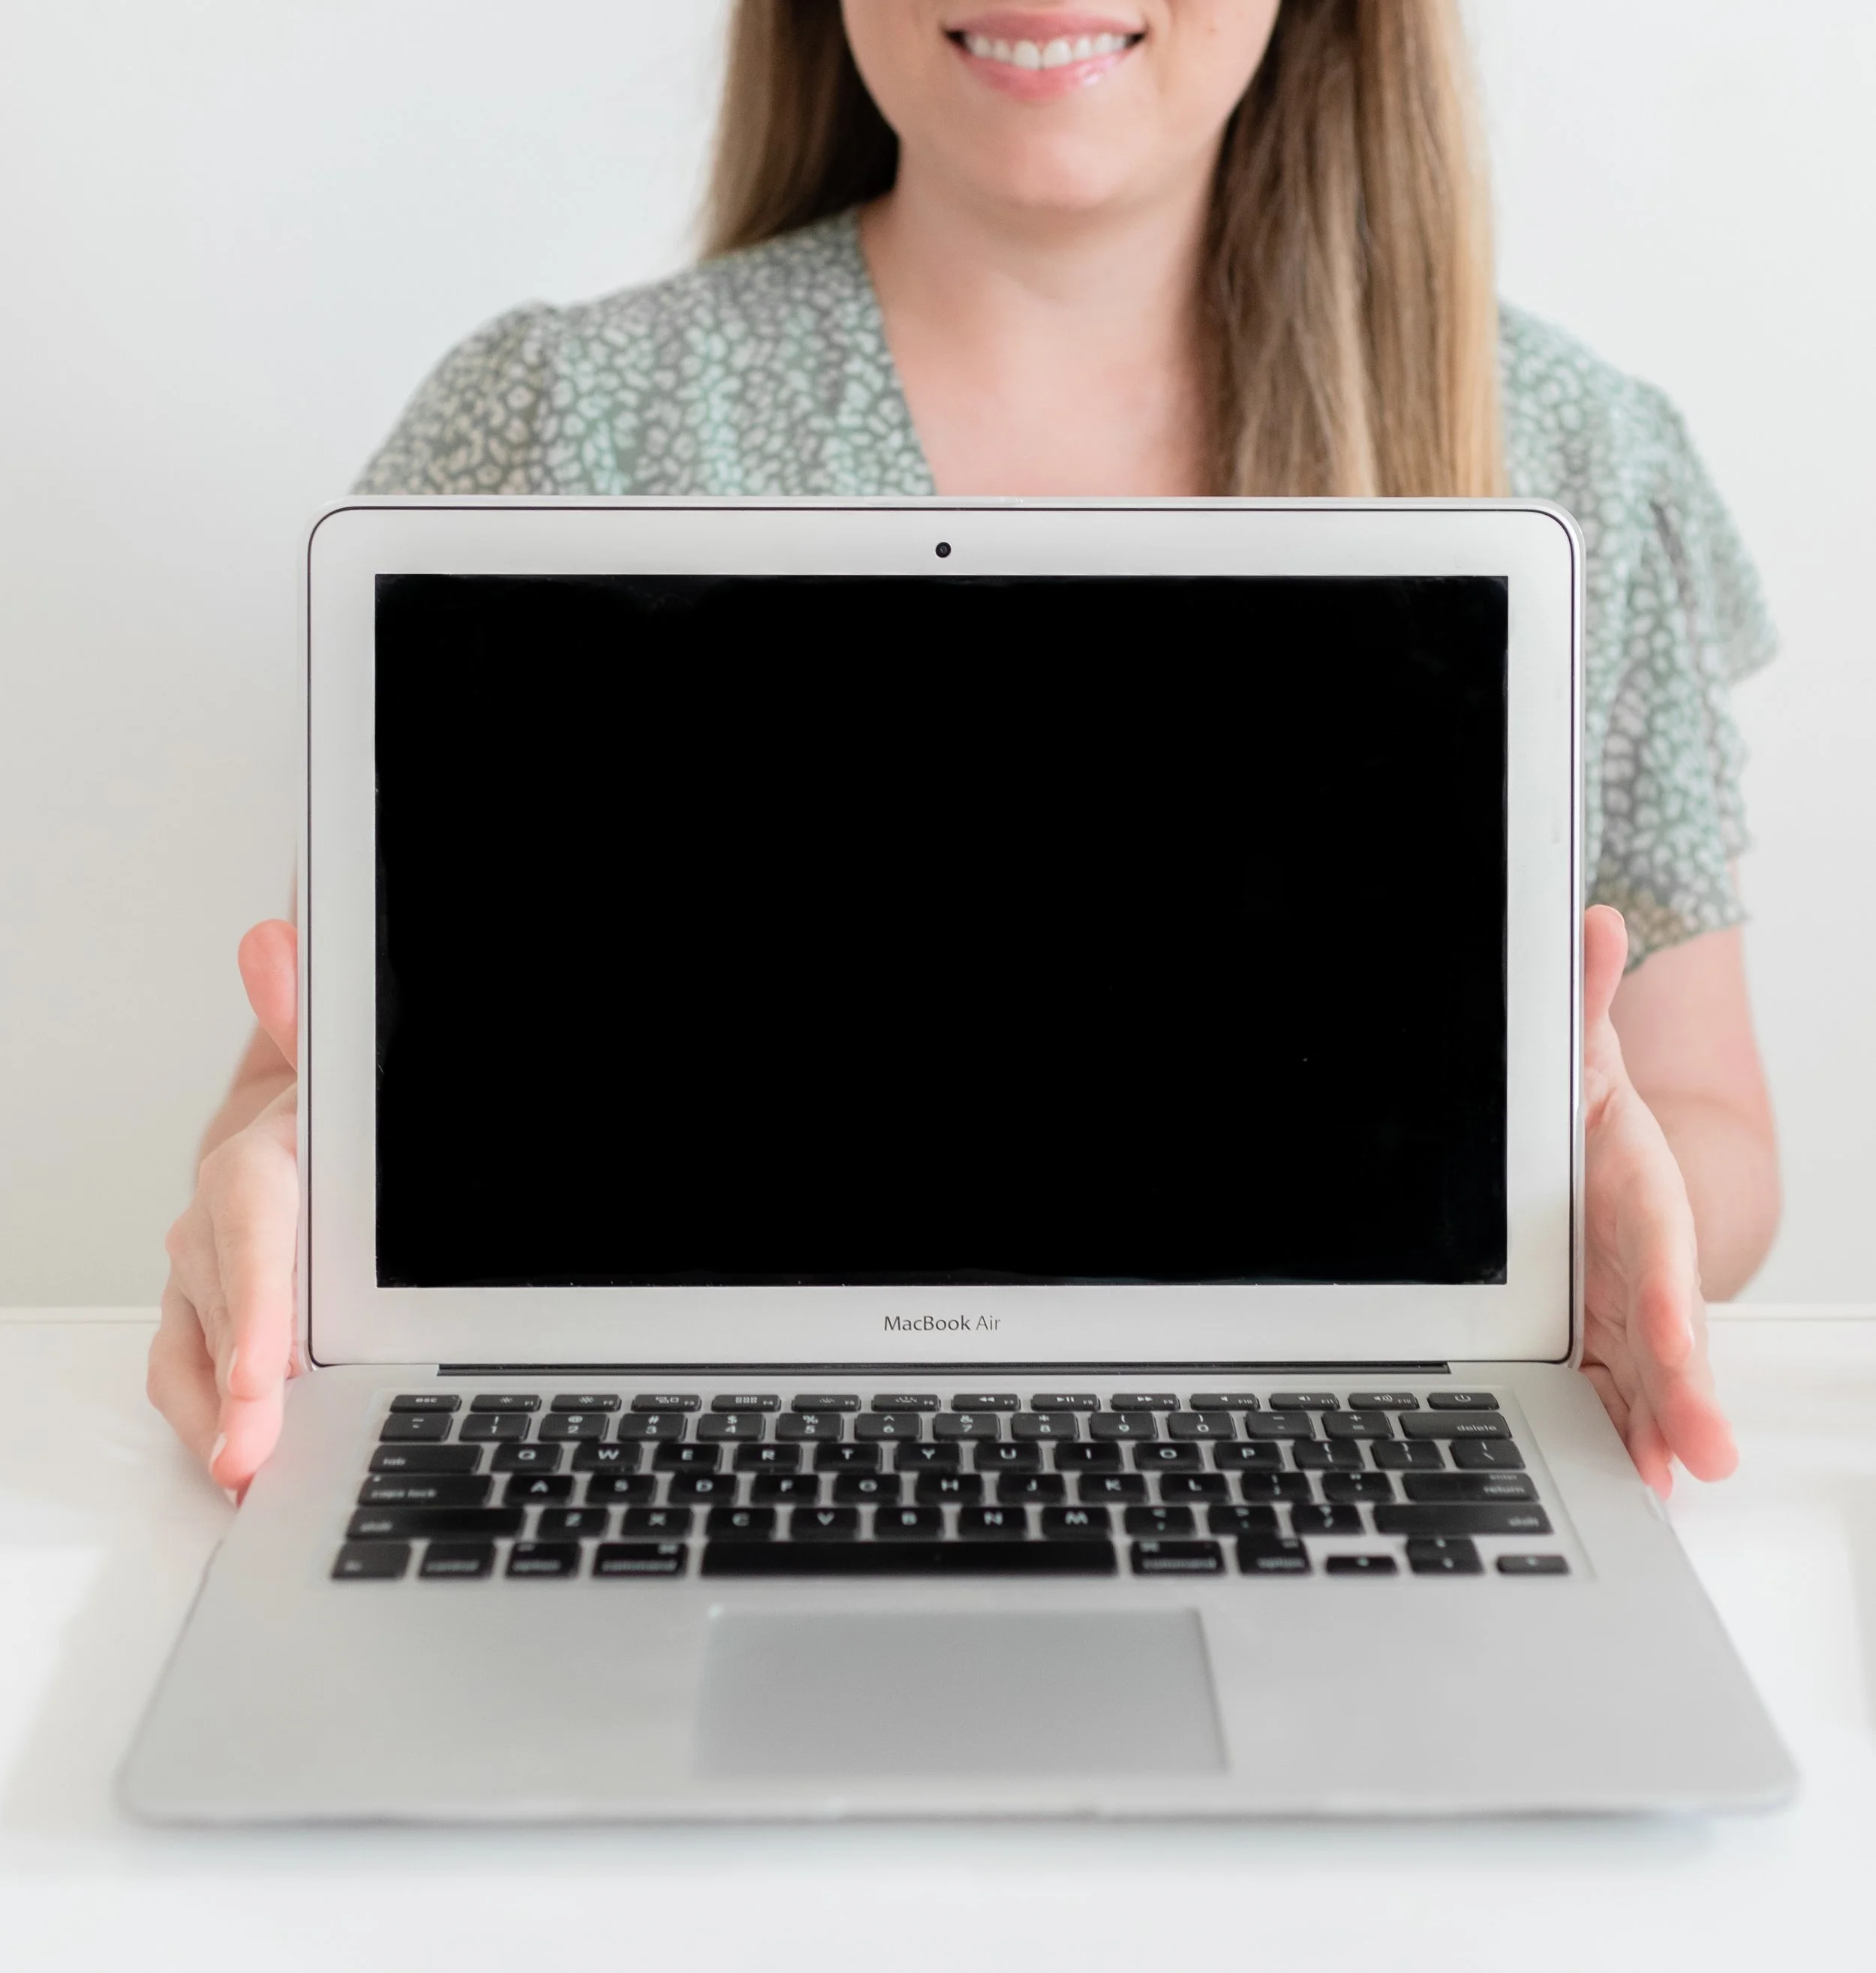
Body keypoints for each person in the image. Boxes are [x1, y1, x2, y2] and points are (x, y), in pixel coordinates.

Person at [152, 0, 1780, 1500]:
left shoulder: (1561, 452)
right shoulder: (557, 418)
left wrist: (1596, 1202)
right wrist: (273, 1194)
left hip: (1323, 1469)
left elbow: (1705, 1118)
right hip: (694, 1463)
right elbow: (290, 1121)